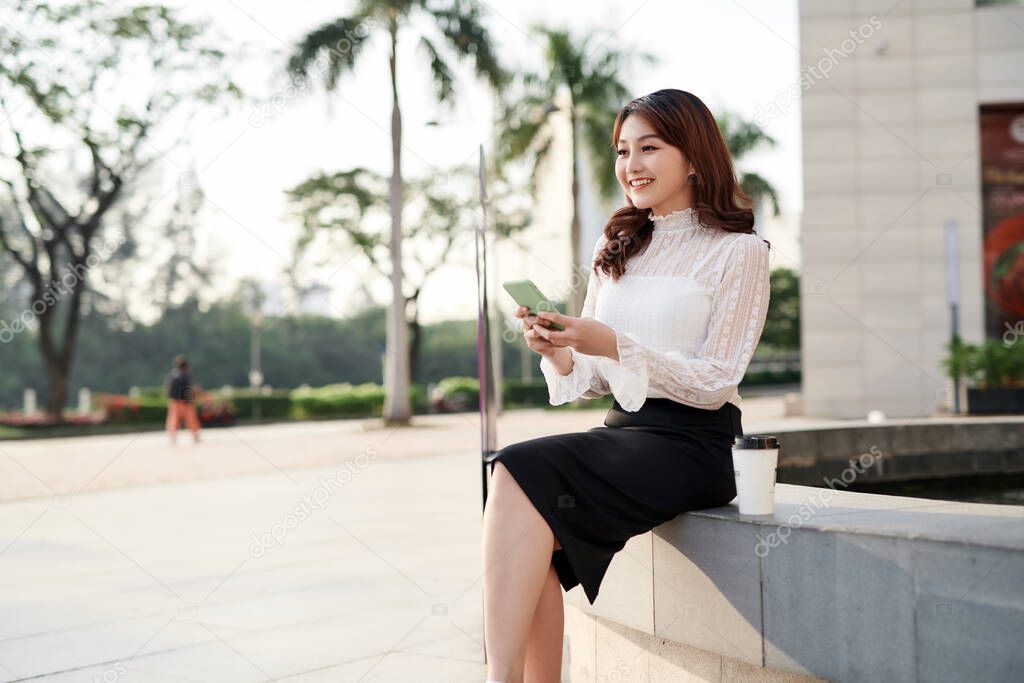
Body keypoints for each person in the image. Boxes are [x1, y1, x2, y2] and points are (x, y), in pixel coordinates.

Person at [482, 89, 771, 683]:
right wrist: (561, 350)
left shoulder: (740, 253)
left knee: (516, 467)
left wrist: (612, 342)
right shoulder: (616, 248)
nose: (630, 165)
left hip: (695, 443)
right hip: (624, 433)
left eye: (648, 148)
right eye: (621, 151)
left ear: (694, 158)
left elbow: (718, 381)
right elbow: (591, 381)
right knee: (526, 512)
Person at [165, 355, 201, 444]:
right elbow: (187, 389)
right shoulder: (185, 376)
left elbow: (168, 388)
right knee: (191, 420)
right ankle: (195, 435)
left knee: (173, 420)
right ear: (185, 366)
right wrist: (190, 400)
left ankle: (173, 437)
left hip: (174, 401)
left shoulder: (172, 375)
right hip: (184, 402)